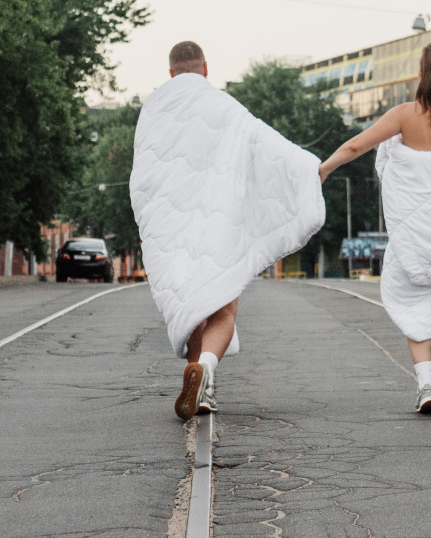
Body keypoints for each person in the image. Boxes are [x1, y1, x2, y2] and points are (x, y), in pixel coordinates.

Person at [131, 41, 326, 420]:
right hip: (218, 224)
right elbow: (266, 143)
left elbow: (143, 175)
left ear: (171, 73)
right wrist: (308, 169)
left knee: (190, 309)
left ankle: (199, 383)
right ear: (206, 68)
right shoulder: (224, 106)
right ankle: (205, 373)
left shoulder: (152, 111)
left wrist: (148, 225)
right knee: (222, 306)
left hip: (172, 230)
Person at [318, 42, 431, 413]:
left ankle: (426, 387)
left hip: (422, 232)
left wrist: (323, 169)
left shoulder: (404, 116)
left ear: (424, 75)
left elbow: (356, 147)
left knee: (410, 298)